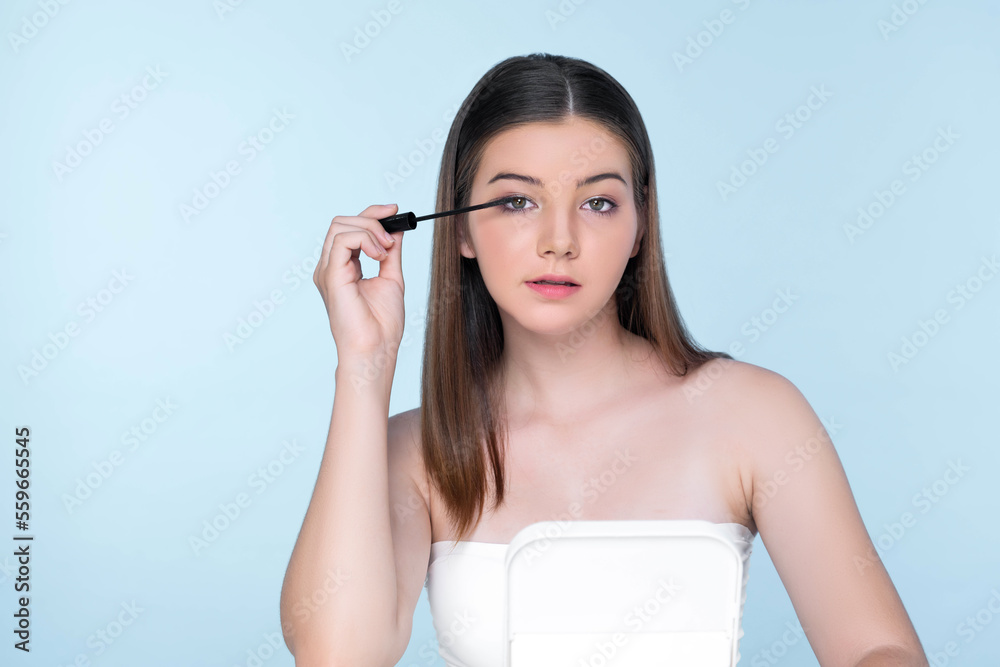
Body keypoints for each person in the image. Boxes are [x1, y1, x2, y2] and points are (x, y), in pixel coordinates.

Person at [279, 53, 928, 667]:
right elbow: (337, 654)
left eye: (598, 202)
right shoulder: (417, 451)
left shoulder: (755, 415)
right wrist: (364, 365)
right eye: (516, 201)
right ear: (464, 228)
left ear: (640, 223)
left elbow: (878, 648)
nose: (559, 241)